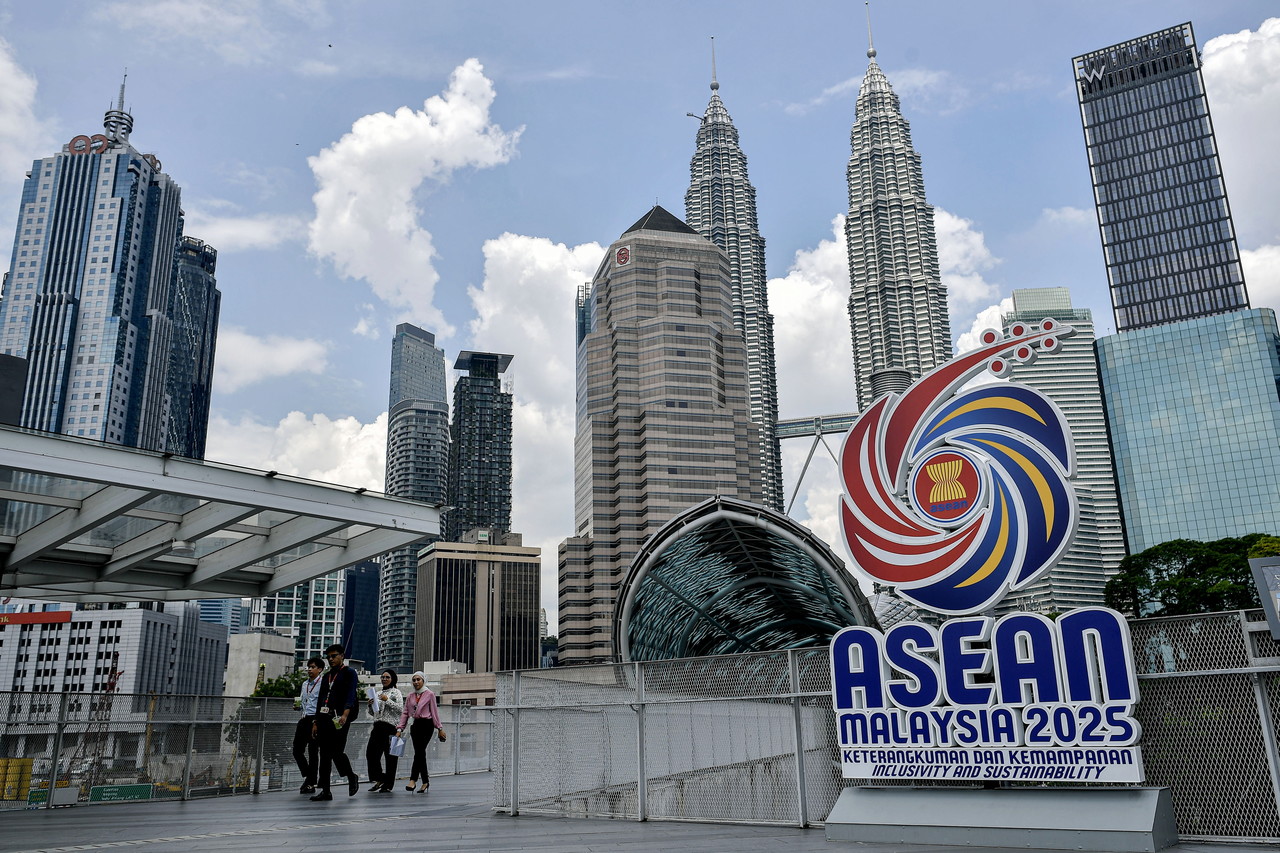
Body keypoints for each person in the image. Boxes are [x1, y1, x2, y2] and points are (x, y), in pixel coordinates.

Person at [310, 643, 360, 801]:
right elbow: (320, 700)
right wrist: (316, 721)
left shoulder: (350, 673)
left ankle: (351, 777)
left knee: (336, 751)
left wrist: (345, 713)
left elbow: (351, 693)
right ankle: (326, 791)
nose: (331, 659)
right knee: (324, 754)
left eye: (334, 656)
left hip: (340, 718)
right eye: (329, 657)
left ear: (342, 656)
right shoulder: (326, 676)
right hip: (325, 718)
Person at [395, 671, 445, 792]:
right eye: (414, 680)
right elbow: (405, 713)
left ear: (423, 681)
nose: (416, 682)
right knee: (420, 753)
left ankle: (413, 780)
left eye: (418, 679)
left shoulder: (430, 694)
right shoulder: (411, 696)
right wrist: (400, 729)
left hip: (427, 725)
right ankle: (425, 781)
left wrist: (439, 728)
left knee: (419, 752)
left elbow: (434, 712)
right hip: (415, 725)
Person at [365, 669, 404, 793]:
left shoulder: (396, 692)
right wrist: (370, 705)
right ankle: (380, 778)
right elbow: (373, 713)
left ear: (392, 679)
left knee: (391, 758)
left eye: (387, 677)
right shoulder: (377, 693)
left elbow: (400, 709)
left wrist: (387, 700)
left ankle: (388, 784)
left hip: (391, 727)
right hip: (377, 726)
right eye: (383, 677)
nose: (384, 679)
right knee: (371, 754)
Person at [292, 657, 324, 794]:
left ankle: (311, 781)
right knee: (297, 749)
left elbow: (322, 704)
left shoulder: (323, 684)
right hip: (304, 718)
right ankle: (309, 776)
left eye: (312, 667)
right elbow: (304, 701)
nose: (309, 669)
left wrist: (317, 721)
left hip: (315, 720)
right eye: (308, 667)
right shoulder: (305, 684)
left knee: (312, 752)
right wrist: (297, 707)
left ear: (320, 669)